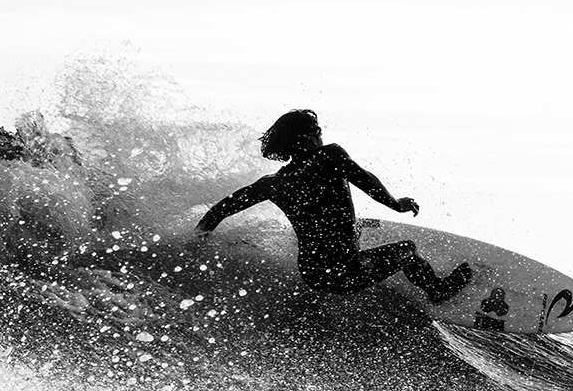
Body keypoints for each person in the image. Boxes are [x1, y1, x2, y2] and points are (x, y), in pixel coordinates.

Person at [195, 109, 472, 303]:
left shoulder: (273, 183)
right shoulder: (329, 156)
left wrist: (197, 237)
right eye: (317, 131)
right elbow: (366, 181)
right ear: (307, 137)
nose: (321, 135)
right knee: (407, 250)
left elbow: (222, 208)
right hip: (347, 271)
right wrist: (397, 204)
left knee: (336, 232)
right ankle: (437, 289)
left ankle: (355, 237)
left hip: (313, 275)